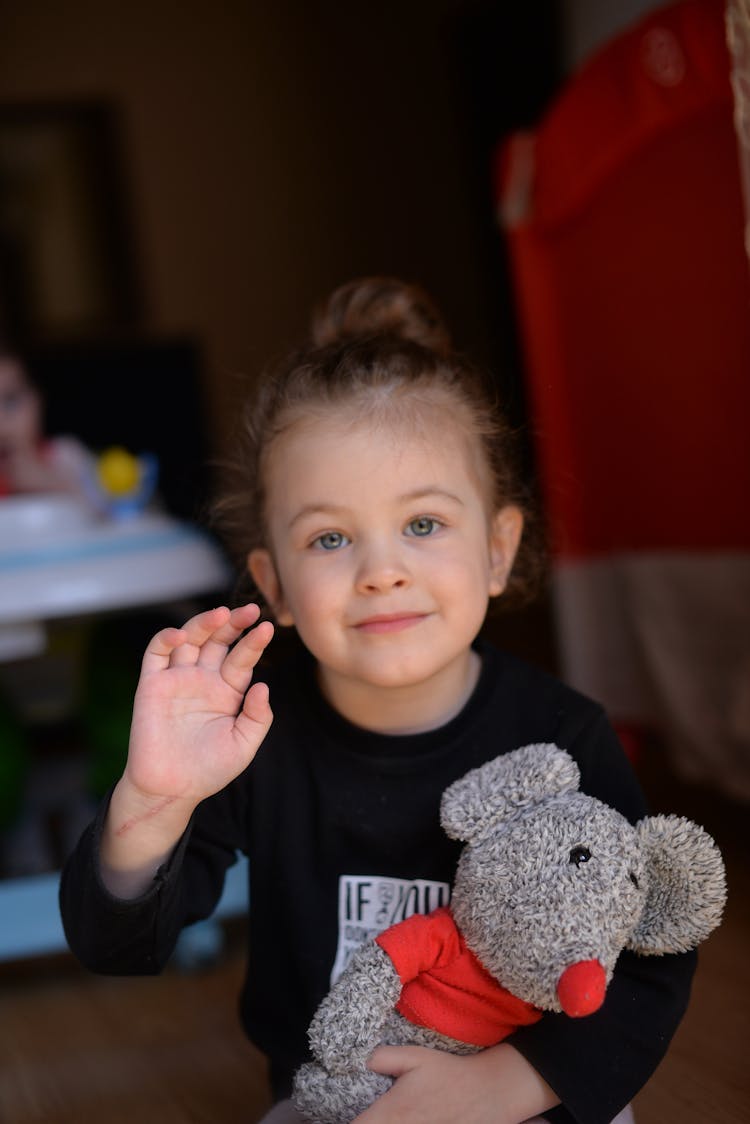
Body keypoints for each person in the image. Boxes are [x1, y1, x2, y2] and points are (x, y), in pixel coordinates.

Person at [60, 277, 695, 1124]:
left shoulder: (561, 735)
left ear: (499, 549)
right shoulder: (257, 734)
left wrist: (512, 1083)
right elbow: (116, 947)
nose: (382, 569)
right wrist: (153, 802)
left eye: (424, 524)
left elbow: (652, 951)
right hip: (335, 1101)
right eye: (330, 538)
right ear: (274, 584)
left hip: (532, 1092)